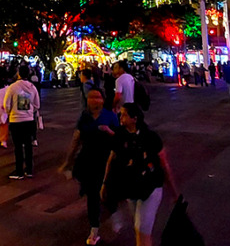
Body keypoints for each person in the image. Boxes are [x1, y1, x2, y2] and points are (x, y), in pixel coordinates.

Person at [101, 103, 177, 246]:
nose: (120, 116)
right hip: (131, 187)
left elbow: (164, 164)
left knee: (141, 228)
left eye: (123, 114)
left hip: (150, 187)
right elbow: (112, 158)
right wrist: (105, 183)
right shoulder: (120, 135)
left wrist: (173, 192)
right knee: (139, 227)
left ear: (134, 118)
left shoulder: (150, 137)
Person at [60, 88, 119, 245]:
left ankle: (111, 211)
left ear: (103, 99)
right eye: (91, 97)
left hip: (105, 161)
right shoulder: (85, 116)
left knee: (106, 193)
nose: (94, 100)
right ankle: (94, 229)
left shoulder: (110, 116)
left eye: (98, 97)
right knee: (93, 195)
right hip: (87, 160)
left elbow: (120, 139)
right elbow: (76, 138)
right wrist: (68, 160)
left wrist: (108, 131)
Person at [3, 65, 40, 179]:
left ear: (18, 73)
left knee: (18, 146)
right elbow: (37, 104)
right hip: (29, 120)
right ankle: (29, 170)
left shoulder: (12, 87)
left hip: (16, 120)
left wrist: (10, 112)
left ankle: (19, 171)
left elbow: (6, 104)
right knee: (28, 145)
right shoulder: (32, 87)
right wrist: (30, 111)